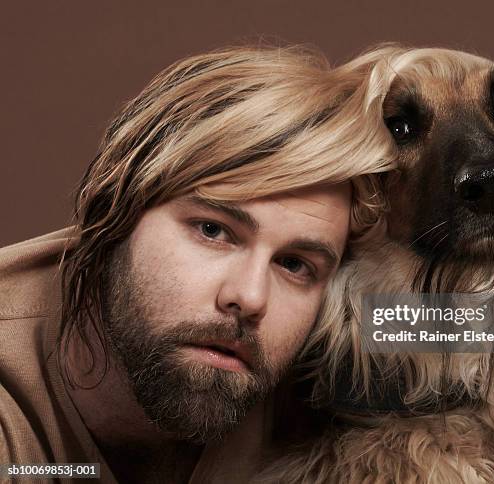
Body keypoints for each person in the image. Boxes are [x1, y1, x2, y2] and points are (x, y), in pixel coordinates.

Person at [0, 46, 393, 483]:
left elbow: (475, 333)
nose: (249, 297)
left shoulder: (319, 347)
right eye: (213, 230)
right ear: (116, 213)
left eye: (294, 264)